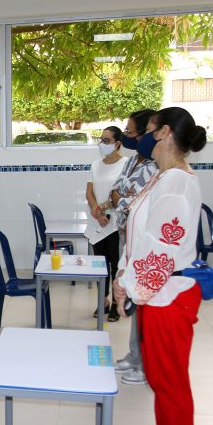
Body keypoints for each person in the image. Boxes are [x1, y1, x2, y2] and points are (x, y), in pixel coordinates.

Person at [112, 106, 205, 425]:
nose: (141, 137)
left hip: (168, 294)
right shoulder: (165, 177)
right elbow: (140, 233)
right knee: (160, 376)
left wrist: (131, 288)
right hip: (157, 293)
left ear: (164, 132)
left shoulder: (177, 182)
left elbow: (163, 246)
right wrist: (123, 277)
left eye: (148, 129)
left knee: (171, 381)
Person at [109, 109, 158, 385]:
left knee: (139, 299)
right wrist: (122, 196)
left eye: (129, 131)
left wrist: (124, 197)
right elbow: (117, 193)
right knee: (130, 294)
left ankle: (143, 362)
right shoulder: (131, 162)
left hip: (140, 236)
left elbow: (134, 199)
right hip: (125, 232)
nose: (126, 135)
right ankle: (133, 355)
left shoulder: (156, 166)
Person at [85, 126, 127, 322]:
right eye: (101, 139)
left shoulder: (126, 165)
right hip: (97, 221)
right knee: (99, 265)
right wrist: (96, 212)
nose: (103, 144)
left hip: (115, 223)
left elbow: (123, 195)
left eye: (107, 140)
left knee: (114, 264)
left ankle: (117, 302)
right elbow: (89, 193)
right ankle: (103, 301)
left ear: (118, 143)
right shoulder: (95, 165)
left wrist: (103, 210)